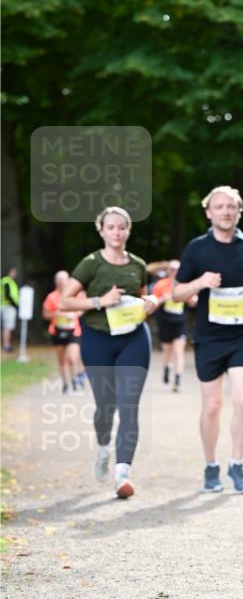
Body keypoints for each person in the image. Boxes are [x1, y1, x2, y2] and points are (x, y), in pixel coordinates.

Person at [172, 185, 243, 495]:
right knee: (213, 405)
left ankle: (237, 464)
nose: (226, 212)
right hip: (209, 338)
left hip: (242, 336)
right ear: (208, 212)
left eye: (231, 207)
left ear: (239, 211)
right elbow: (176, 293)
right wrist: (200, 282)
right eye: (219, 207)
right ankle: (211, 465)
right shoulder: (197, 249)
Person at [60, 207, 157, 499]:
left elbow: (141, 296)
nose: (116, 232)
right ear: (101, 230)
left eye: (122, 227)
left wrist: (150, 301)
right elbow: (65, 301)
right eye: (111, 227)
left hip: (134, 338)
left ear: (128, 230)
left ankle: (122, 474)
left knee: (129, 405)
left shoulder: (138, 264)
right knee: (106, 405)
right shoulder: (91, 263)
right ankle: (104, 449)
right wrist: (99, 301)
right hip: (98, 339)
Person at [152, 260, 196, 391]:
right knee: (167, 351)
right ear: (168, 271)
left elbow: (193, 302)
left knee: (178, 350)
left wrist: (190, 298)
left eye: (177, 269)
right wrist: (162, 299)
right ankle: (167, 367)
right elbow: (152, 304)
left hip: (180, 323)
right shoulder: (161, 284)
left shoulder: (184, 285)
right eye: (172, 269)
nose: (175, 272)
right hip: (165, 322)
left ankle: (177, 379)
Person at [42, 270, 85, 392]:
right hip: (57, 331)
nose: (61, 282)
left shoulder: (74, 294)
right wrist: (56, 314)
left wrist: (74, 314)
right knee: (61, 360)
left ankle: (75, 379)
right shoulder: (51, 297)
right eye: (58, 280)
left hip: (73, 331)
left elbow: (82, 308)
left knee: (72, 357)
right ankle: (65, 383)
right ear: (55, 282)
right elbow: (45, 314)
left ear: (68, 280)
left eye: (63, 279)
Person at [1, 266, 19, 353]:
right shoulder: (7, 281)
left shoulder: (6, 281)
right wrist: (15, 305)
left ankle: (6, 344)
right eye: (14, 272)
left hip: (5, 305)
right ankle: (6, 345)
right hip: (8, 306)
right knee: (7, 327)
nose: (15, 274)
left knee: (5, 327)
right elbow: (7, 294)